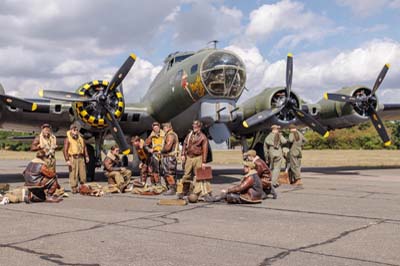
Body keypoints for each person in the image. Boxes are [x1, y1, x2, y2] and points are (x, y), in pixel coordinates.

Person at [181, 120, 209, 198]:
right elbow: (184, 144)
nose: (194, 128)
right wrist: (183, 154)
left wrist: (204, 162)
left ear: (199, 127)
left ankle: (196, 192)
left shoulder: (203, 137)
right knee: (186, 175)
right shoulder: (189, 135)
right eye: (193, 126)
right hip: (189, 157)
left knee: (198, 176)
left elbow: (205, 150)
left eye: (196, 126)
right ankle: (185, 191)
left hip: (198, 158)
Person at [63, 123, 89, 194]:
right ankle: (74, 187)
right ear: (71, 130)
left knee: (82, 172)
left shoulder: (81, 138)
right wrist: (67, 160)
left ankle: (83, 185)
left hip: (81, 157)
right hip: (73, 157)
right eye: (74, 129)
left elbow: (84, 147)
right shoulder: (67, 139)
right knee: (73, 173)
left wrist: (86, 156)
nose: (76, 131)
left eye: (77, 130)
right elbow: (65, 150)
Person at [160, 122, 179, 195]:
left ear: (169, 128)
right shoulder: (169, 134)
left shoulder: (170, 135)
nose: (163, 129)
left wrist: (161, 151)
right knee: (167, 173)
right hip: (168, 157)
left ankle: (172, 189)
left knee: (169, 173)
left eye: (164, 128)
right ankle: (170, 187)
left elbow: (168, 147)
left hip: (169, 157)